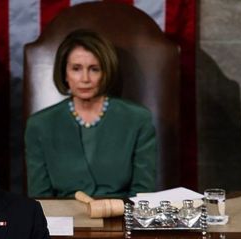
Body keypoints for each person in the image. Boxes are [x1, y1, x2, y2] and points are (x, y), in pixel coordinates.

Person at [25, 29, 156, 199]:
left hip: (121, 217)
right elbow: (41, 199)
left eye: (94, 69)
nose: (85, 78)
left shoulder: (138, 119)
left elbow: (143, 194)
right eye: (76, 68)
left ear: (105, 72)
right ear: (65, 73)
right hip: (63, 220)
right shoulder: (40, 125)